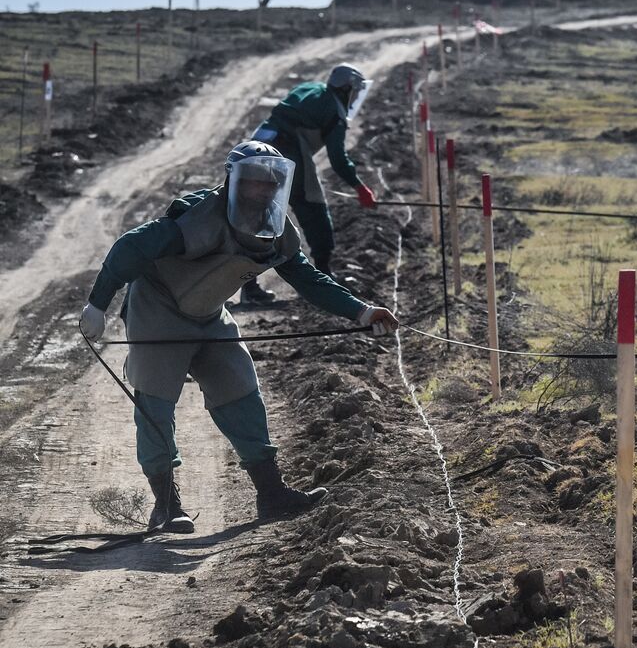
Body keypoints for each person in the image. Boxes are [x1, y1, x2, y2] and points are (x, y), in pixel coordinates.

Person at [78, 141, 399, 532]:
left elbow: (307, 278)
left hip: (210, 315)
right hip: (158, 312)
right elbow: (130, 247)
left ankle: (271, 493)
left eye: (271, 183)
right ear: (232, 180)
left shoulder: (275, 229)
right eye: (253, 182)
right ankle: (166, 506)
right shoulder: (196, 219)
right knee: (156, 405)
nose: (262, 191)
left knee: (240, 389)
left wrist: (362, 311)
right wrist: (97, 304)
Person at [239, 63, 378, 304]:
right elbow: (337, 159)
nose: (355, 98)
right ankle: (323, 276)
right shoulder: (334, 111)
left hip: (258, 145)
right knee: (314, 210)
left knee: (259, 216)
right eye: (355, 92)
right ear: (346, 89)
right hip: (288, 152)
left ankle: (248, 286)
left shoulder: (310, 88)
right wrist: (359, 187)